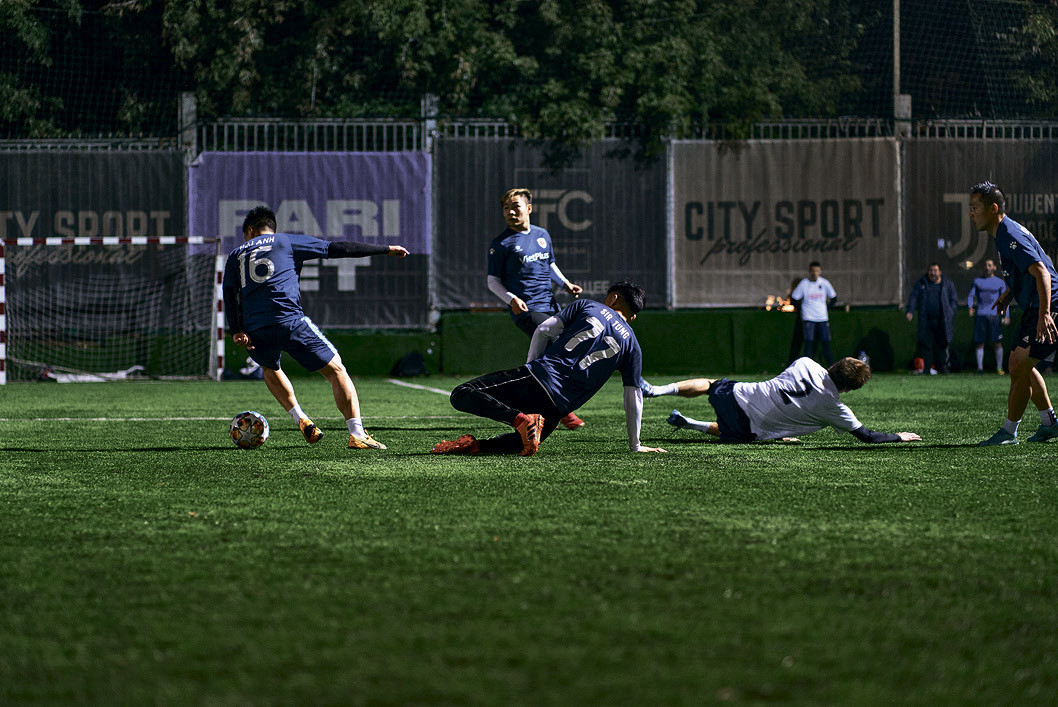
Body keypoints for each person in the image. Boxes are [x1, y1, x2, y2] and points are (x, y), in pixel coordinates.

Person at [222, 205, 409, 450]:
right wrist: (386, 249)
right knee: (336, 370)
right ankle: (357, 434)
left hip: (255, 330)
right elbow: (339, 248)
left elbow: (229, 293)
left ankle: (301, 418)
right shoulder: (286, 241)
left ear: (249, 231)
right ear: (271, 228)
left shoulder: (236, 253)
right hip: (289, 321)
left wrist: (237, 329)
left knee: (270, 367)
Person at [432, 281, 667, 456]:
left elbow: (543, 330)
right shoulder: (632, 345)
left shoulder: (588, 305)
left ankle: (521, 420)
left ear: (613, 298)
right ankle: (477, 446)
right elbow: (633, 397)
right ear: (632, 317)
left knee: (462, 394)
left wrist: (531, 365)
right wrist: (635, 445)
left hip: (540, 378)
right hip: (559, 407)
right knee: (518, 444)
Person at [487, 187, 586, 430]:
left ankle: (532, 405)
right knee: (555, 346)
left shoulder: (542, 235)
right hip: (526, 310)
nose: (510, 212)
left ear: (529, 209)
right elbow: (492, 281)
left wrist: (565, 283)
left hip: (550, 305)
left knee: (553, 352)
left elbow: (549, 264)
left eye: (515, 207)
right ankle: (562, 409)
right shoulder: (501, 243)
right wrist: (511, 299)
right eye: (506, 208)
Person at [649, 357, 921, 444]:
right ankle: (692, 424)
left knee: (710, 384)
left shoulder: (805, 362)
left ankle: (658, 390)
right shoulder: (835, 408)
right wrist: (898, 436)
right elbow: (868, 437)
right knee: (733, 430)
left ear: (835, 365)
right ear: (848, 389)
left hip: (739, 394)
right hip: (751, 428)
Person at [969, 182, 1058, 445]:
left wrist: (1045, 314)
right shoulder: (1003, 233)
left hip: (1048, 304)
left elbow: (1042, 272)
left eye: (975, 208)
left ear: (993, 209)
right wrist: (1010, 292)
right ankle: (1049, 423)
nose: (971, 214)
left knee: (1019, 365)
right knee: (1018, 365)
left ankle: (1009, 432)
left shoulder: (1009, 234)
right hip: (1036, 305)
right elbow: (1026, 270)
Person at [906, 263, 958, 374]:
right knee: (927, 346)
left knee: (942, 345)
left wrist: (950, 312)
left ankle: (943, 368)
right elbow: (913, 297)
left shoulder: (947, 284)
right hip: (926, 321)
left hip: (942, 321)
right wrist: (910, 311)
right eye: (930, 270)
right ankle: (927, 370)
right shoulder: (922, 283)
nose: (933, 273)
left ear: (940, 272)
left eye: (935, 270)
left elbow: (953, 299)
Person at [967, 258, 1010, 374]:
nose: (987, 267)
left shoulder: (1000, 282)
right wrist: (970, 307)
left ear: (994, 268)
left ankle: (999, 368)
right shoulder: (977, 281)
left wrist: (1007, 316)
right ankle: (980, 369)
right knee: (980, 343)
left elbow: (1005, 300)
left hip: (994, 316)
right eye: (985, 265)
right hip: (980, 315)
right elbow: (971, 295)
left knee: (997, 343)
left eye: (989, 265)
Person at [790, 261, 837, 365]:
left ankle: (831, 367)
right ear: (809, 271)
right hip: (808, 319)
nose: (815, 273)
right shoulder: (804, 283)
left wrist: (826, 309)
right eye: (813, 271)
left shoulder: (824, 283)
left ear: (820, 271)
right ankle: (807, 367)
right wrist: (802, 310)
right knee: (809, 343)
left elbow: (834, 298)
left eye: (817, 271)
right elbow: (794, 299)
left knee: (825, 342)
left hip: (822, 318)